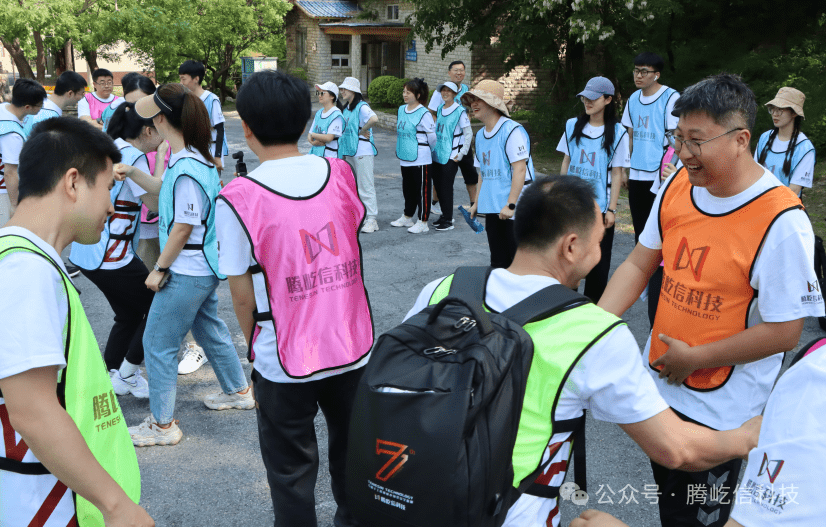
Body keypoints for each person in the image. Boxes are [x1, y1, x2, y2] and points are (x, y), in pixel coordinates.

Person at [404, 175, 761, 527]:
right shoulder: (594, 334)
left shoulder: (444, 288)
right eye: (599, 242)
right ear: (571, 247)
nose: (600, 252)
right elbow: (676, 449)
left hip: (412, 494)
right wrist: (744, 438)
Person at [598, 73, 824, 527]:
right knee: (668, 500)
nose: (683, 153)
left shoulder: (781, 222)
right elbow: (640, 263)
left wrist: (696, 358)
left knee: (695, 515)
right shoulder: (678, 186)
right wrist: (591, 326)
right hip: (661, 387)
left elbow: (785, 332)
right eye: (678, 137)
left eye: (696, 141)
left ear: (741, 139)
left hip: (721, 414)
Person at [216, 70, 374, 527]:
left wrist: (256, 348)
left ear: (246, 128)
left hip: (282, 358)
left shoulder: (238, 197)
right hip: (352, 346)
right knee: (355, 462)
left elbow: (241, 295)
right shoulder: (340, 173)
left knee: (290, 475)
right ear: (307, 122)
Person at [0, 116, 152, 527]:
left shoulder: (25, 259)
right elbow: (31, 411)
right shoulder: (26, 270)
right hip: (38, 502)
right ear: (73, 183)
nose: (111, 206)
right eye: (106, 189)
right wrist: (116, 506)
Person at [118, 83, 253, 447]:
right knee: (210, 331)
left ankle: (163, 425)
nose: (149, 122)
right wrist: (131, 172)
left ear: (162, 120)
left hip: (186, 271)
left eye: (152, 115)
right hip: (202, 268)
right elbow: (164, 190)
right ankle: (239, 391)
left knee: (157, 344)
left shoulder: (187, 166)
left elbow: (182, 225)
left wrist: (159, 268)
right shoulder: (192, 157)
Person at [568, 339, 826, 527]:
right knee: (675, 505)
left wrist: (744, 439)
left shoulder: (815, 377)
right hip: (687, 405)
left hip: (720, 419)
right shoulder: (814, 365)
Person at [68, 102, 164, 399]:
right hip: (112, 255)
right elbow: (155, 203)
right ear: (147, 131)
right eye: (160, 127)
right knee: (158, 310)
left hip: (87, 252)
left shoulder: (109, 148)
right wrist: (161, 159)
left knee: (128, 314)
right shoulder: (133, 157)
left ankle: (111, 372)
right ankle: (128, 374)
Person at [557, 77, 629, 302]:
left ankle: (592, 308)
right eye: (584, 98)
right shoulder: (572, 125)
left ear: (608, 100)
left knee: (598, 263)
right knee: (569, 257)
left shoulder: (618, 132)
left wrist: (612, 209)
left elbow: (616, 173)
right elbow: (567, 161)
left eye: (593, 98)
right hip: (572, 205)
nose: (587, 102)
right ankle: (565, 305)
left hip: (599, 207)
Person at [463, 79, 535, 268]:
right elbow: (483, 172)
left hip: (515, 210)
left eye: (479, 99)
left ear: (493, 104)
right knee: (498, 262)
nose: (473, 104)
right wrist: (477, 203)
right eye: (472, 100)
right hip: (493, 208)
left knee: (519, 265)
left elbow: (520, 170)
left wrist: (511, 205)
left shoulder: (512, 131)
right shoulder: (480, 135)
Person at [620, 52, 680, 242]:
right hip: (636, 173)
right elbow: (629, 135)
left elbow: (676, 139)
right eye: (636, 71)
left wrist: (673, 170)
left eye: (644, 72)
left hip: (659, 173)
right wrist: (624, 169)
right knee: (639, 230)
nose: (638, 76)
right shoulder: (633, 99)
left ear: (656, 75)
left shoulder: (671, 97)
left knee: (659, 229)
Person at [427, 60, 477, 213]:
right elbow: (431, 112)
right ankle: (435, 203)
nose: (459, 73)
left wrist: (467, 120)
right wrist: (440, 130)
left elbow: (469, 111)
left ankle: (475, 205)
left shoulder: (466, 90)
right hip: (446, 143)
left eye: (461, 70)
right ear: (449, 73)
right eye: (455, 70)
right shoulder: (441, 91)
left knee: (470, 174)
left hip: (463, 141)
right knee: (442, 174)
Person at [391, 77, 437, 234]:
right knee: (408, 189)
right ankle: (407, 216)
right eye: (404, 91)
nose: (405, 94)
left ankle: (423, 221)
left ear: (418, 95)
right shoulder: (401, 109)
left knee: (422, 191)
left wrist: (428, 152)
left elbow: (432, 138)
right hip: (405, 156)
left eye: (408, 92)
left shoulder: (424, 113)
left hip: (421, 158)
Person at [0, 78, 45, 226]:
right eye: (39, 105)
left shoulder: (3, 108)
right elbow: (10, 172)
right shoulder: (12, 134)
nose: (41, 108)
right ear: (27, 107)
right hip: (3, 191)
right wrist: (14, 204)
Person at [337, 77, 380, 233]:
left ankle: (372, 219)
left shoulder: (362, 106)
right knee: (356, 186)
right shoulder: (347, 108)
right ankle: (364, 217)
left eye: (345, 89)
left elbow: (374, 118)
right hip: (352, 151)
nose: (342, 91)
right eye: (341, 89)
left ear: (354, 91)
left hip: (363, 152)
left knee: (365, 186)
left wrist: (363, 130)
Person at [755, 87, 815, 197]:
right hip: (758, 202)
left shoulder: (805, 148)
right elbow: (753, 175)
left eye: (780, 110)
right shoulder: (765, 138)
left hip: (786, 206)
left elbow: (793, 191)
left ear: (794, 113)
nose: (775, 114)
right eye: (772, 109)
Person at [430, 81, 472, 231]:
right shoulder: (440, 108)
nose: (445, 93)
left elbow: (468, 134)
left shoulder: (460, 111)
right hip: (437, 154)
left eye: (449, 91)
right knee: (439, 186)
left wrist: (462, 153)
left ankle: (448, 221)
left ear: (455, 94)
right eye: (443, 90)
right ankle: (444, 215)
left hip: (451, 155)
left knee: (446, 187)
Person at [179, 60, 228, 174]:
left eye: (183, 79)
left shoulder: (211, 100)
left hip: (210, 151)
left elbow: (220, 129)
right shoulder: (185, 99)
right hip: (192, 151)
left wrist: (217, 157)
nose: (181, 83)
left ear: (196, 79)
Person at [22, 70, 87, 136]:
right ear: (70, 93)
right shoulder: (50, 119)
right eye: (82, 93)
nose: (82, 97)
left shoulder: (42, 101)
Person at [307, 81, 344, 158]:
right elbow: (309, 134)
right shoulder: (319, 113)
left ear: (332, 96)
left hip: (329, 158)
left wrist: (313, 135)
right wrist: (313, 142)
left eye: (322, 93)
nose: (319, 95)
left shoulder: (336, 115)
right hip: (316, 155)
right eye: (318, 93)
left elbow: (329, 138)